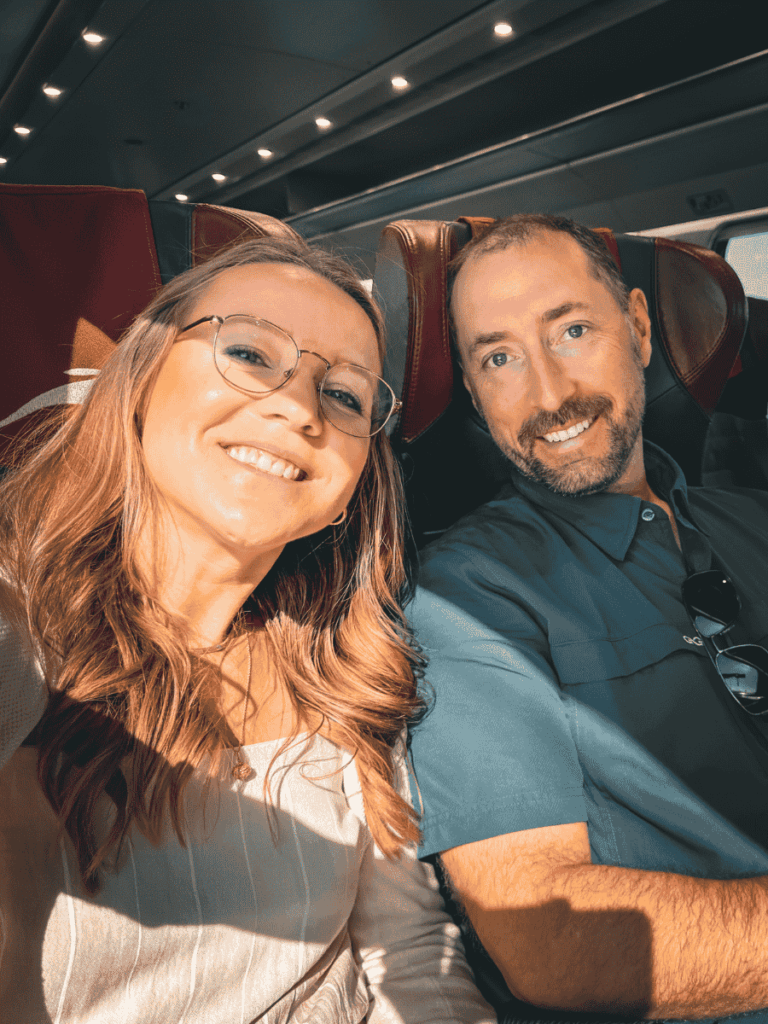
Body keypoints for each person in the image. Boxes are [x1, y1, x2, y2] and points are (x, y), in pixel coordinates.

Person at [0, 235, 494, 1023]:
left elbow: (408, 953)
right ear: (136, 383)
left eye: (343, 396)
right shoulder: (15, 639)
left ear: (346, 491)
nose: (297, 408)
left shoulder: (348, 667)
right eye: (249, 353)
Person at [406, 214, 768, 1023]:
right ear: (470, 388)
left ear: (639, 328)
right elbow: (548, 941)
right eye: (498, 357)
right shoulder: (467, 600)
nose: (548, 394)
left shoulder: (752, 518)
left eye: (571, 329)